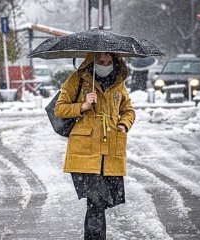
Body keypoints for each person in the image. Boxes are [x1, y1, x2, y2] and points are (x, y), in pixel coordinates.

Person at [54, 52, 135, 239]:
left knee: (99, 203)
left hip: (110, 153)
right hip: (85, 152)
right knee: (97, 201)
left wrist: (123, 124)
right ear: (92, 61)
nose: (105, 65)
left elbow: (128, 110)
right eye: (100, 61)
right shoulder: (77, 79)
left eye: (108, 62)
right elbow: (59, 109)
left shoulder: (118, 82)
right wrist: (82, 106)